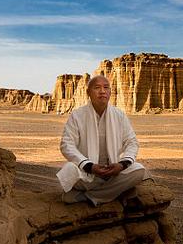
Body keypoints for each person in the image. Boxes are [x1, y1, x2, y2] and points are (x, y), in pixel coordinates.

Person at [57, 74, 151, 204]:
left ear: (110, 92)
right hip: (87, 172)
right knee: (69, 170)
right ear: (88, 92)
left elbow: (132, 142)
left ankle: (89, 196)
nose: (102, 91)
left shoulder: (119, 115)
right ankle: (115, 193)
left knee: (139, 170)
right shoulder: (77, 115)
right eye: (97, 87)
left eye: (106, 87)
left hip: (113, 171)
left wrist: (121, 164)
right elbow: (66, 145)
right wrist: (89, 166)